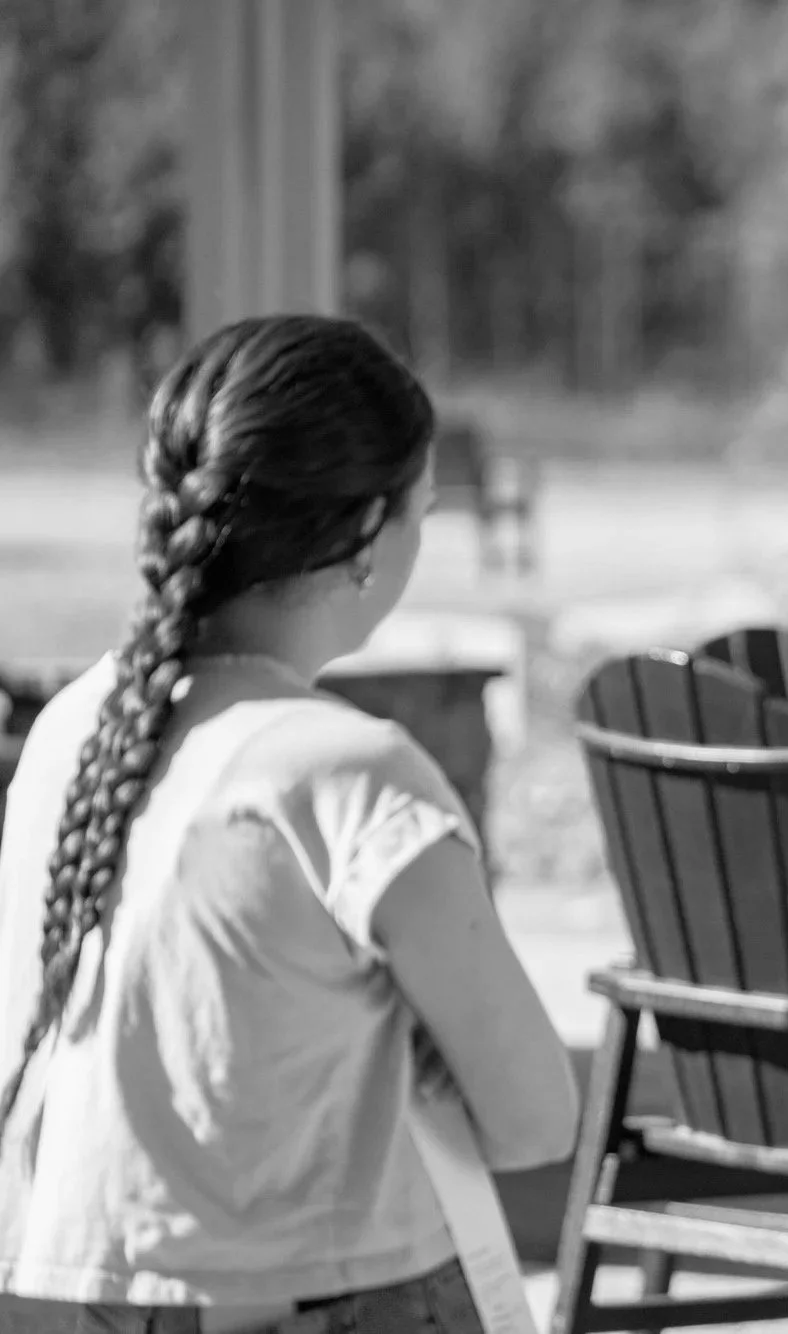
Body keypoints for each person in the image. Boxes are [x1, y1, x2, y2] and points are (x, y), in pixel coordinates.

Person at [0, 315, 580, 1333]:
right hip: (314, 1296)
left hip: (61, 1290)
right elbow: (535, 1116)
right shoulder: (348, 773)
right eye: (422, 509)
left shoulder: (70, 729)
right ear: (365, 535)